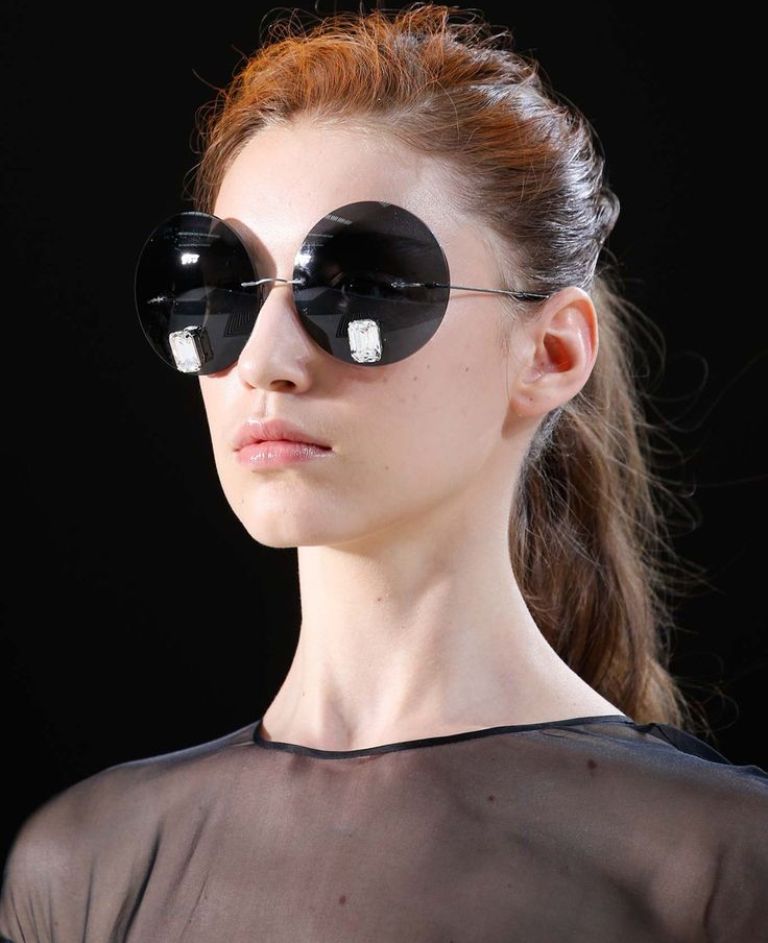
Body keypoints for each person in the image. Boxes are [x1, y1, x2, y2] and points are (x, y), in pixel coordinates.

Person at [1, 4, 766, 941]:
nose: (265, 360)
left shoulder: (723, 867)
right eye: (218, 291)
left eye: (360, 287)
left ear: (551, 353)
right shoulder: (86, 866)